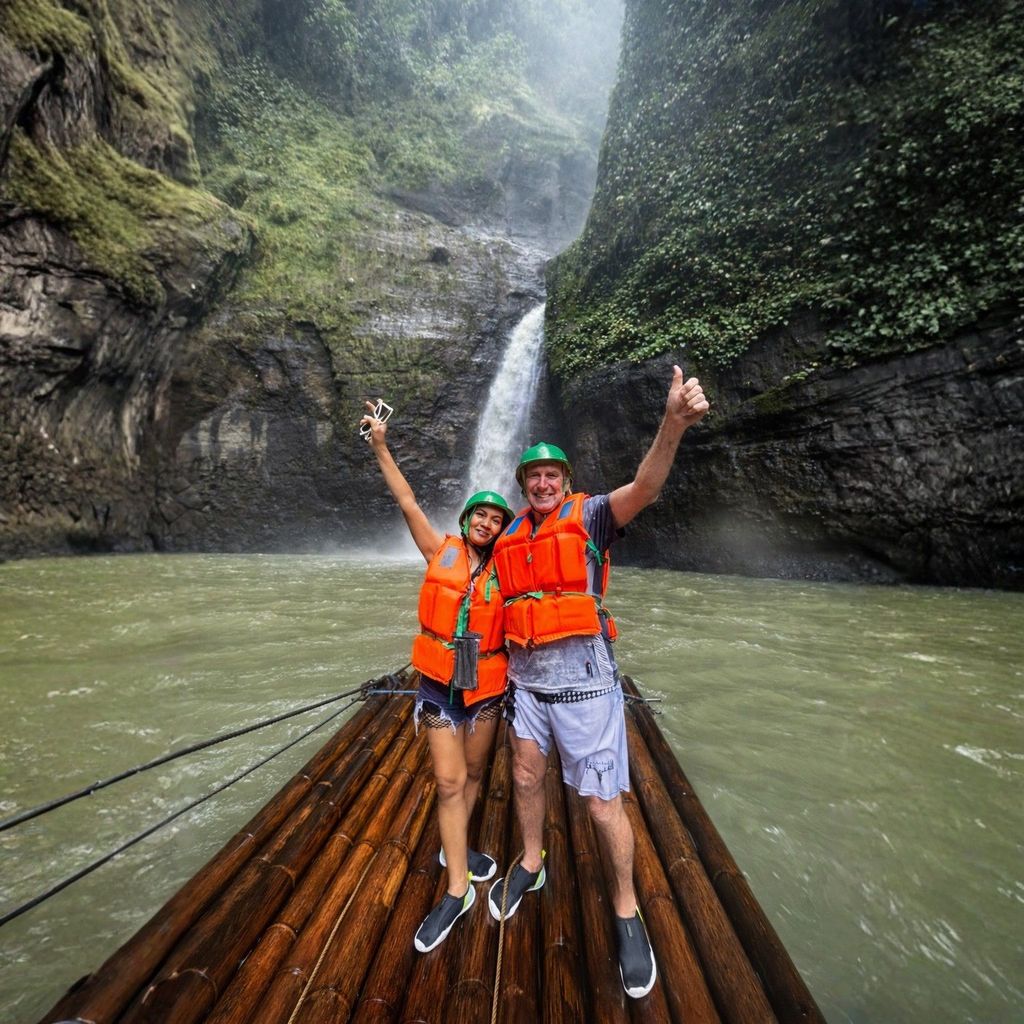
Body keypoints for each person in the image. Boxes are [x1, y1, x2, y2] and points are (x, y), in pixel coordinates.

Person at [485, 366, 709, 999]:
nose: (543, 482)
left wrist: (673, 424)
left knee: (599, 804)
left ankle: (627, 909)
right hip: (527, 689)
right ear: (523, 485)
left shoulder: (592, 518)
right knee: (526, 777)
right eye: (533, 476)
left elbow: (646, 486)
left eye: (552, 474)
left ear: (567, 481)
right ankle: (531, 863)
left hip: (585, 687)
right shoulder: (507, 536)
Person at [361, 400, 514, 953]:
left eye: (497, 519)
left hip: (487, 694)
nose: (487, 523)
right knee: (449, 783)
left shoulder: (508, 571)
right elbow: (405, 500)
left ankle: (460, 848)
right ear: (467, 518)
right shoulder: (438, 550)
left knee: (473, 779)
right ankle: (457, 890)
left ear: (503, 530)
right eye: (481, 515)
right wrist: (380, 446)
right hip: (437, 689)